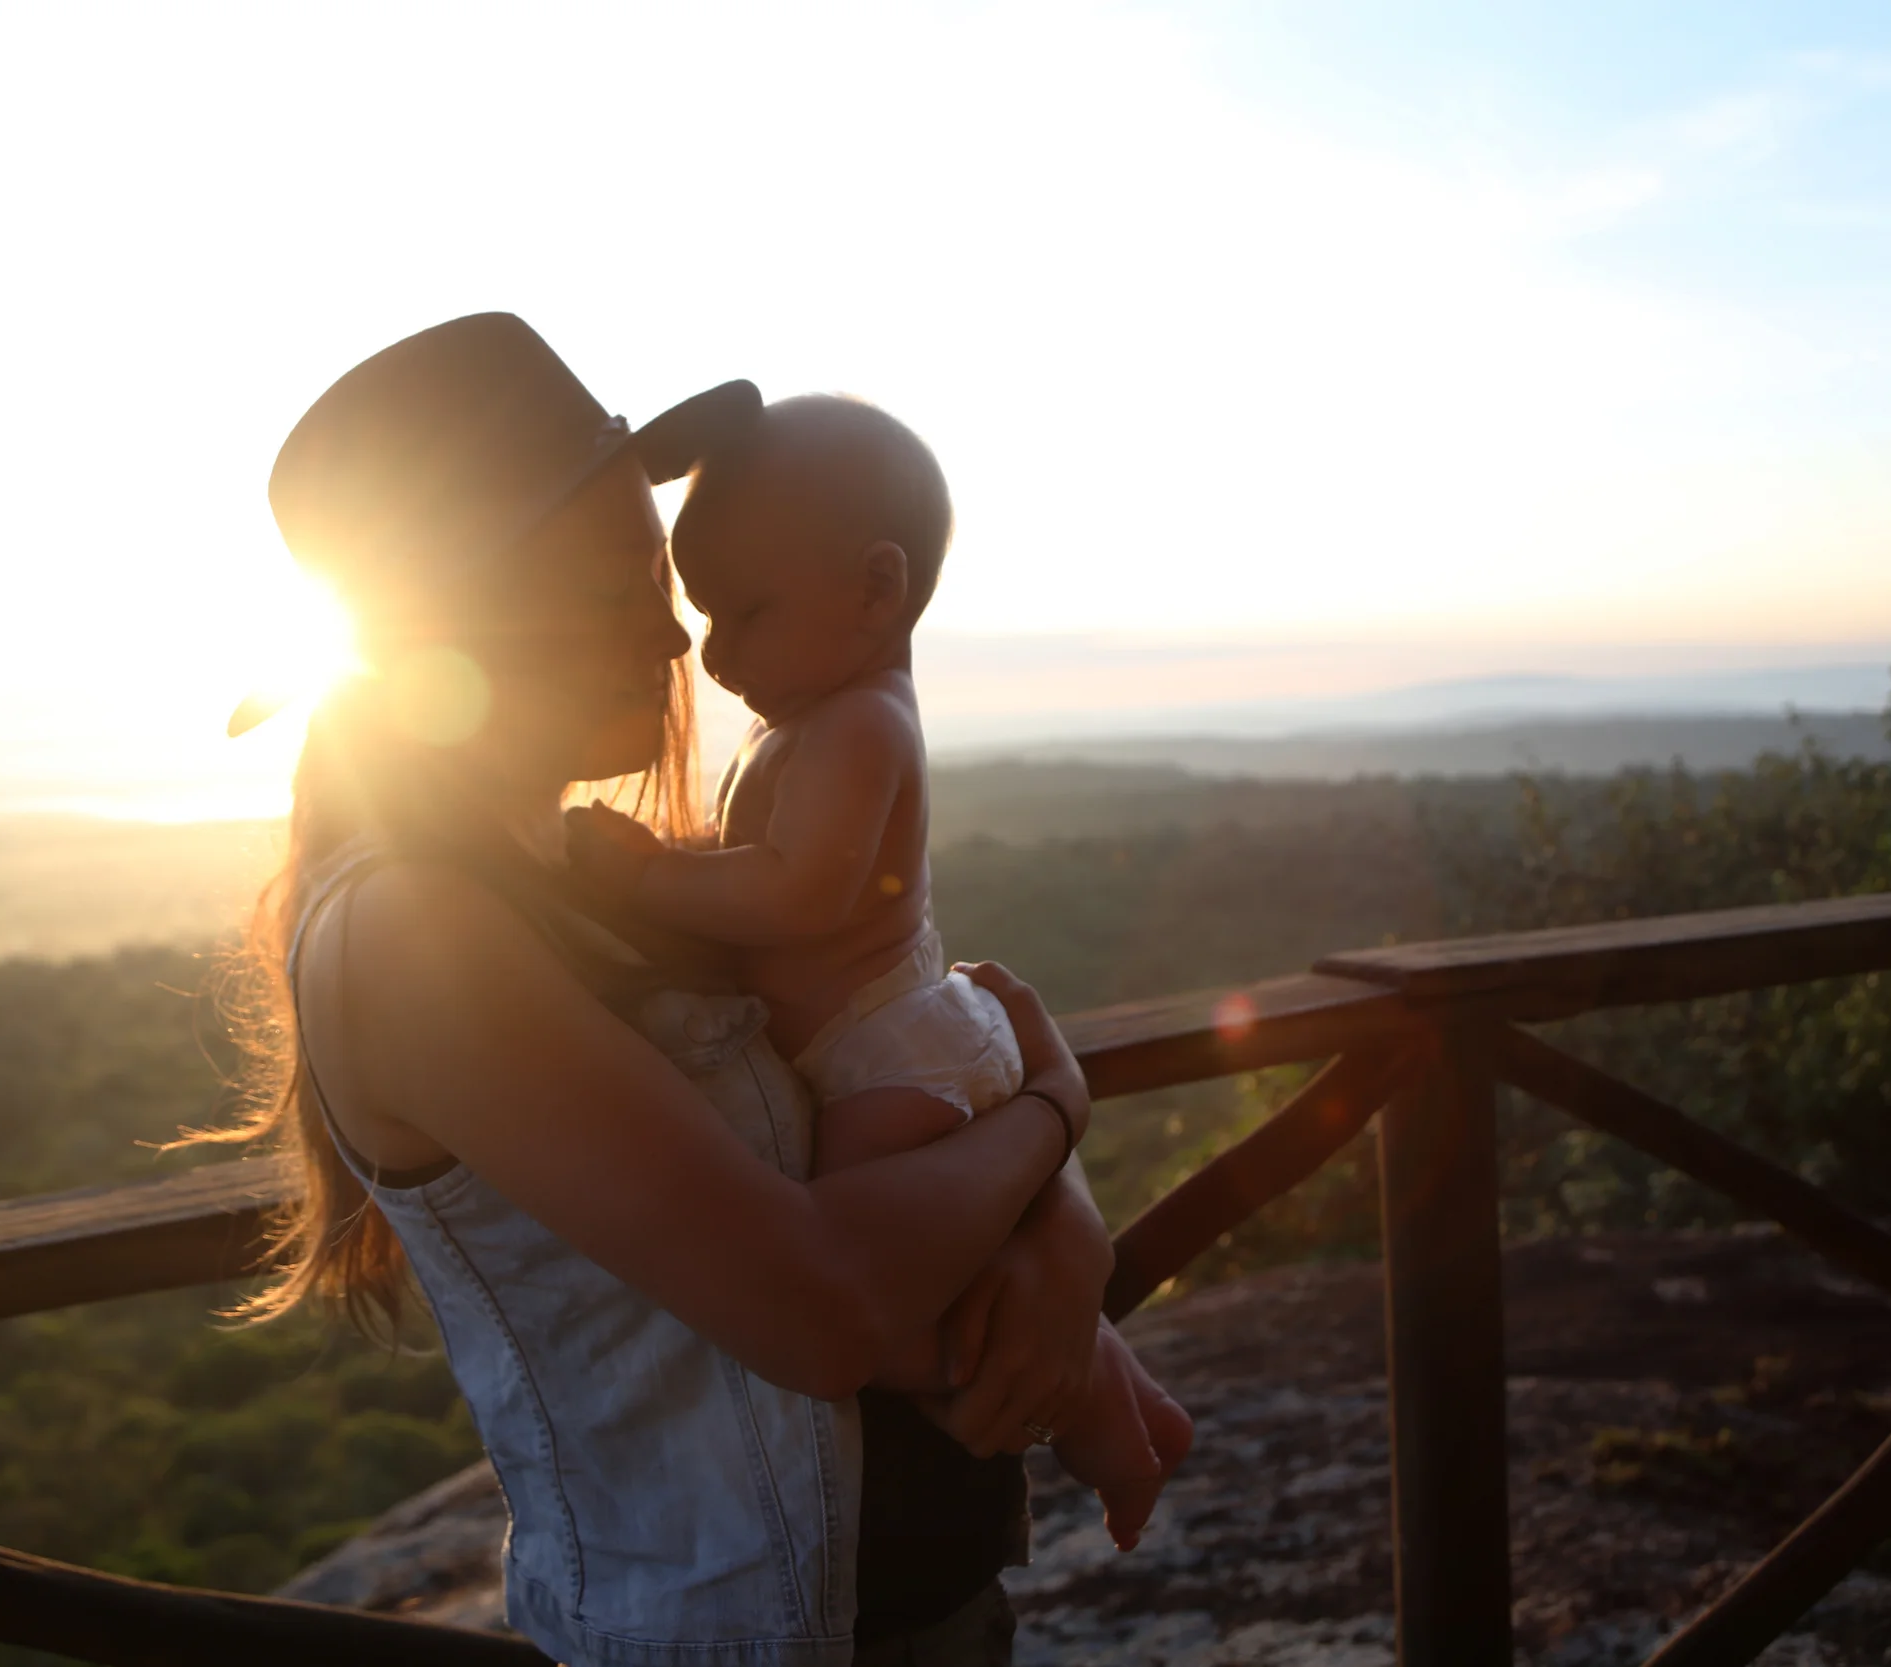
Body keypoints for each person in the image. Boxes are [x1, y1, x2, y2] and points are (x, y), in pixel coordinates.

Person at [204, 313, 1185, 1667]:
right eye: (620, 581)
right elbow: (820, 1304)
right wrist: (1053, 1120)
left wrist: (1059, 1224)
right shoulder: (414, 932)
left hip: (921, 1615)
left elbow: (878, 1052)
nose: (675, 637)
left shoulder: (583, 872)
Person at [564, 394, 1188, 1551]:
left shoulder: (860, 726)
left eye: (745, 611)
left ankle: (1099, 1419)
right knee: (943, 1264)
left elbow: (803, 891)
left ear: (876, 589)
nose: (711, 651)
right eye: (704, 613)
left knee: (882, 1291)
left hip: (887, 1046)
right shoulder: (811, 719)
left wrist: (646, 878)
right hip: (885, 1040)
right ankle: (1129, 1398)